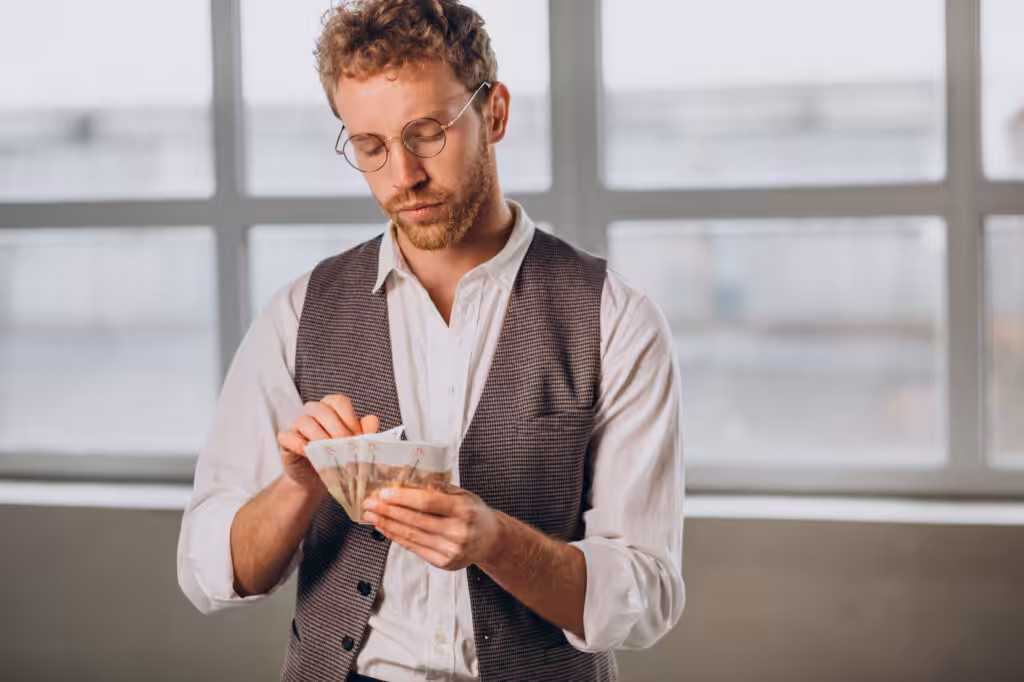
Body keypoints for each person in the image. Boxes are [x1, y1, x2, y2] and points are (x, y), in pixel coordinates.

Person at [177, 1, 685, 680]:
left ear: (495, 113)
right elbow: (209, 571)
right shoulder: (298, 312)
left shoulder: (616, 320)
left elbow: (648, 596)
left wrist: (500, 543)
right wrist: (297, 487)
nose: (402, 177)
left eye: (427, 133)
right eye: (370, 147)